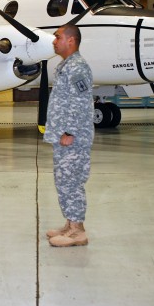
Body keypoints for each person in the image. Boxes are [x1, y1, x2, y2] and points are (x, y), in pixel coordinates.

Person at [44, 23, 94, 248]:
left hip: (73, 137)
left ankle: (78, 232)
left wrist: (70, 131)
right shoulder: (67, 65)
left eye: (57, 37)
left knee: (71, 180)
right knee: (64, 180)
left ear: (71, 40)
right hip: (65, 136)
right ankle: (70, 224)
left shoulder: (77, 67)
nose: (54, 41)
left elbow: (81, 102)